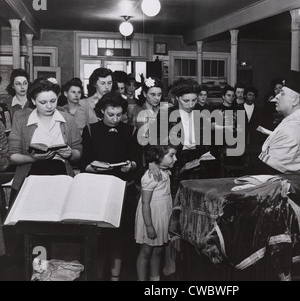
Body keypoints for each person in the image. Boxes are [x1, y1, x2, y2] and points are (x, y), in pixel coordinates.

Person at [79, 92, 141, 281]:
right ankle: (96, 277)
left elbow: (137, 161)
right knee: (96, 237)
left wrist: (130, 165)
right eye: (110, 114)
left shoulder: (130, 131)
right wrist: (93, 167)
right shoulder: (90, 129)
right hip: (97, 190)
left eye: (119, 115)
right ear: (101, 112)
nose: (115, 119)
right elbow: (84, 163)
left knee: (118, 237)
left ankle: (115, 278)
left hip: (121, 191)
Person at [8, 78, 82, 201]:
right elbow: (13, 156)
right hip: (30, 176)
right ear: (33, 100)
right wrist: (32, 158)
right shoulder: (21, 119)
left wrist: (70, 153)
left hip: (61, 176)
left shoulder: (67, 119)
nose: (49, 106)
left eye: (53, 101)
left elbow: (78, 153)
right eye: (43, 102)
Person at [254, 71, 300, 174]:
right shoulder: (296, 123)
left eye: (282, 93)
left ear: (295, 100)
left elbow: (266, 169)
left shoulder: (291, 131)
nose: (277, 97)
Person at [135, 144, 177, 281]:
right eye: (171, 155)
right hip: (151, 217)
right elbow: (145, 203)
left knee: (158, 250)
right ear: (158, 157)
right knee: (146, 251)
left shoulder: (164, 171)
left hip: (162, 216)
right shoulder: (151, 176)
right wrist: (148, 225)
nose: (175, 159)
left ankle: (155, 279)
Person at [76, 68, 114, 133]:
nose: (107, 87)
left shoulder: (118, 102)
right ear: (95, 84)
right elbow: (80, 130)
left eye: (109, 83)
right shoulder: (84, 104)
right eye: (103, 83)